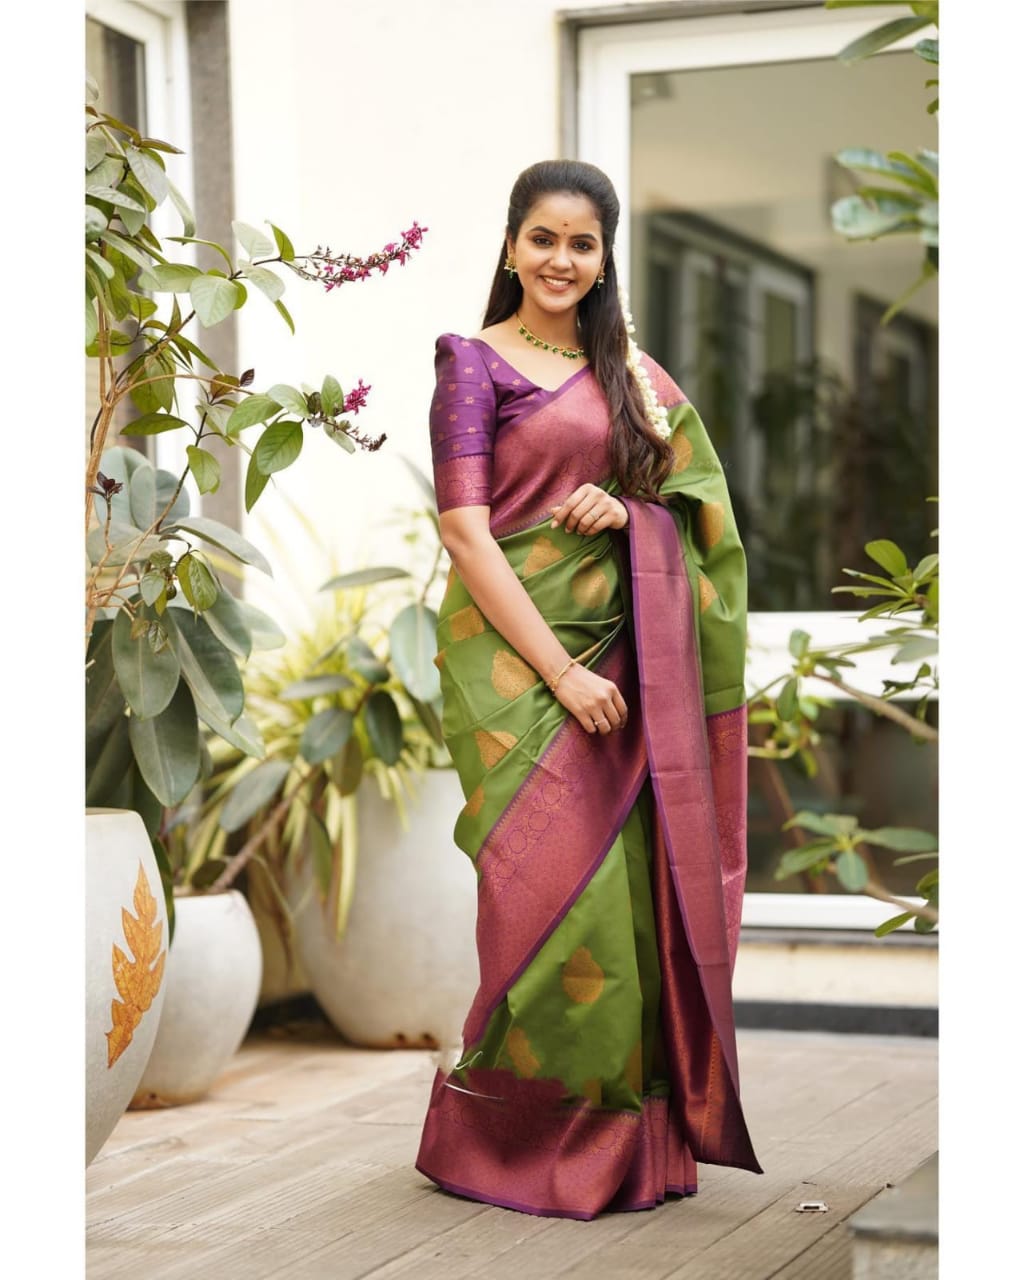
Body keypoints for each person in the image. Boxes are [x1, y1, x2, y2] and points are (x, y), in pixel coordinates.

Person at [414, 159, 762, 1220]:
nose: (560, 260)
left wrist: (629, 511)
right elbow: (465, 531)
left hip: (625, 666)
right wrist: (559, 672)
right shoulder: (473, 363)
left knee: (621, 908)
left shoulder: (637, 380)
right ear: (511, 245)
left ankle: (624, 1145)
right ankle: (519, 1138)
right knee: (546, 899)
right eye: (542, 238)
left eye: (582, 244)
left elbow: (695, 514)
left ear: (604, 260)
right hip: (516, 670)